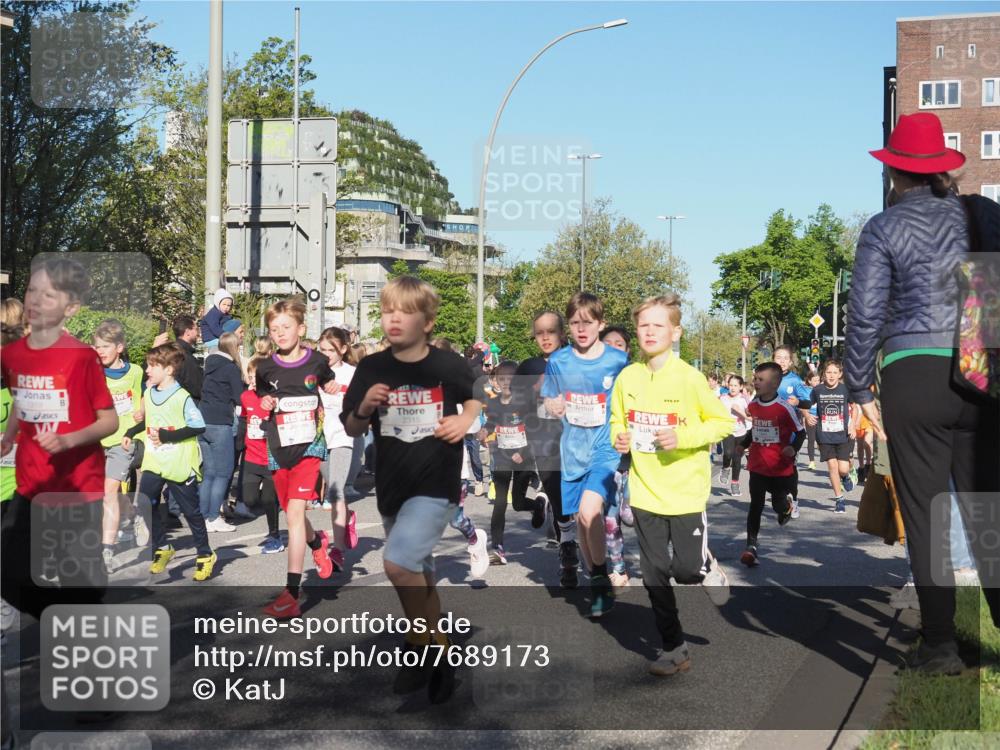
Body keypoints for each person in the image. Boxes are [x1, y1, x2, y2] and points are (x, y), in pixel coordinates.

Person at [846, 111, 999, 673]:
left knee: (928, 514)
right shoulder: (982, 213)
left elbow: (865, 314)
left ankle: (939, 645)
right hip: (980, 368)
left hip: (913, 372)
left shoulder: (883, 228)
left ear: (895, 173)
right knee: (989, 509)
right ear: (943, 169)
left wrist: (859, 383)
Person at [342, 276, 480, 704]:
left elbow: (479, 396)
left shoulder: (446, 366)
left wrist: (465, 418)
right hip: (392, 485)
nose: (394, 319)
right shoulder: (372, 368)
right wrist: (364, 408)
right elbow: (351, 425)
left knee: (398, 564)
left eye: (405, 311)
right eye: (387, 311)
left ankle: (429, 654)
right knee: (420, 571)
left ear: (428, 320)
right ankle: (430, 646)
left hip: (435, 483)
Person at [611, 294, 733, 675]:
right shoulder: (628, 376)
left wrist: (683, 438)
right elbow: (618, 420)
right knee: (653, 573)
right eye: (643, 325)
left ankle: (705, 562)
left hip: (684, 492)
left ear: (675, 332)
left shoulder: (690, 379)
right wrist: (621, 438)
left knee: (684, 570)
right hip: (645, 490)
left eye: (658, 325)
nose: (649, 332)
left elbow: (723, 424)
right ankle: (673, 647)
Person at [1, 257, 117, 619]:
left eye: (47, 295)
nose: (35, 301)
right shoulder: (14, 354)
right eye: (31, 291)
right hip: (30, 486)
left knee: (79, 582)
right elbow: (22, 398)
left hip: (76, 487)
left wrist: (69, 441)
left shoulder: (81, 357)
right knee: (8, 576)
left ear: (70, 308)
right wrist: (9, 436)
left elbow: (109, 420)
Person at [541, 292, 628, 618]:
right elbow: (549, 400)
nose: (580, 328)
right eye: (575, 322)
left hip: (604, 449)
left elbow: (632, 399)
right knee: (580, 519)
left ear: (600, 324)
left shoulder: (617, 362)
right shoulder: (559, 362)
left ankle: (601, 574)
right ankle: (598, 577)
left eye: (587, 322)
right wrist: (553, 405)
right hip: (572, 450)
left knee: (591, 511)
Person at [255, 299, 338, 619]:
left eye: (286, 327)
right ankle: (317, 542)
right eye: (274, 329)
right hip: (279, 448)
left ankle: (291, 593)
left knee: (293, 515)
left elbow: (326, 378)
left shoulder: (316, 360)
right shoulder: (265, 367)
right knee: (293, 511)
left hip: (309, 448)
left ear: (301, 329)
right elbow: (261, 395)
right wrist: (265, 402)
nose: (279, 333)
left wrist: (330, 386)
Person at [123, 344, 216, 580]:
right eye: (148, 365)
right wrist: (132, 431)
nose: (148, 370)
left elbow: (198, 426)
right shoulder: (148, 393)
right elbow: (151, 421)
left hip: (179, 463)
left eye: (153, 366)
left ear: (170, 369)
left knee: (191, 512)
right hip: (155, 461)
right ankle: (163, 548)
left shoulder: (182, 396)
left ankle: (205, 555)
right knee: (145, 505)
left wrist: (166, 436)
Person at [516, 312, 571, 566]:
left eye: (551, 331)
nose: (546, 337)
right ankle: (566, 547)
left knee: (578, 497)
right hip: (542, 442)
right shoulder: (528, 367)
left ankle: (578, 544)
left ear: (562, 334)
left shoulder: (577, 362)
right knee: (556, 495)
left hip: (574, 439)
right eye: (540, 333)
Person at [92, 319, 147, 572]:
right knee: (106, 494)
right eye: (96, 346)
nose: (100, 351)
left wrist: (141, 412)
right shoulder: (92, 372)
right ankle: (133, 514)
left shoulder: (135, 372)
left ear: (120, 347)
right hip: (95, 439)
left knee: (109, 491)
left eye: (105, 346)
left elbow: (146, 395)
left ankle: (107, 552)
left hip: (123, 440)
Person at [739, 362, 805, 567]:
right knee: (755, 505)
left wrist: (793, 448)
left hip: (779, 467)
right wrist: (743, 444)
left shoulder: (784, 408)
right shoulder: (753, 405)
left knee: (777, 504)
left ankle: (786, 507)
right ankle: (751, 547)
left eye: (760, 380)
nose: (755, 382)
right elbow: (754, 430)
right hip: (758, 465)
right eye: (755, 378)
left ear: (775, 384)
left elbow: (801, 432)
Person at [481, 360, 545, 565]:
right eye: (502, 379)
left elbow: (535, 431)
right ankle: (497, 548)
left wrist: (523, 452)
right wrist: (485, 431)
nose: (507, 382)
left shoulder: (526, 403)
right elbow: (491, 422)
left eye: (511, 378)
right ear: (496, 382)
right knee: (499, 503)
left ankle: (538, 505)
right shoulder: (493, 402)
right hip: (502, 456)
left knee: (517, 504)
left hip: (523, 458)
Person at [317, 326, 361, 571]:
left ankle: (338, 549)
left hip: (343, 435)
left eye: (330, 350)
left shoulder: (353, 373)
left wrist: (342, 390)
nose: (325, 354)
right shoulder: (314, 371)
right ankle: (348, 516)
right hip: (320, 438)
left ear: (343, 350)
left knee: (335, 492)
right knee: (333, 493)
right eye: (321, 349)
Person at [198, 331, 245, 532]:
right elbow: (239, 397)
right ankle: (214, 516)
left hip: (203, 421)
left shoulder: (209, 366)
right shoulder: (230, 368)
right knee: (223, 472)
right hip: (220, 422)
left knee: (208, 473)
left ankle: (203, 516)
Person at [599, 326, 633, 589]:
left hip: (636, 458)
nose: (612, 348)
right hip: (604, 457)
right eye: (607, 343)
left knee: (630, 516)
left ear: (627, 350)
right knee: (610, 518)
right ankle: (619, 569)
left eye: (618, 344)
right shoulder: (589, 377)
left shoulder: (637, 377)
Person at [238, 357, 283, 553]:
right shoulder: (245, 397)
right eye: (249, 377)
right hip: (251, 457)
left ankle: (274, 534)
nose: (252, 381)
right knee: (249, 500)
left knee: (268, 500)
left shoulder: (275, 399)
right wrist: (239, 443)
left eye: (256, 378)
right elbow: (243, 420)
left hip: (271, 458)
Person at [813, 360, 856, 514]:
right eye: (828, 372)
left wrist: (853, 425)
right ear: (824, 373)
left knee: (843, 468)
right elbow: (807, 405)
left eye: (834, 373)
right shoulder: (817, 390)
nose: (831, 376)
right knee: (832, 467)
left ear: (840, 374)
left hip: (843, 434)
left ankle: (847, 475)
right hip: (824, 435)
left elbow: (854, 406)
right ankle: (839, 499)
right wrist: (806, 414)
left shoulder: (845, 389)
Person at [155, 315, 203, 402]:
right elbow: (197, 388)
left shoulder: (170, 351)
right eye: (196, 329)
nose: (198, 333)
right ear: (188, 332)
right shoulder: (185, 356)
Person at [719, 374, 750, 496]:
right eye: (730, 385)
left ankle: (735, 483)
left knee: (737, 459)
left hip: (741, 432)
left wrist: (740, 412)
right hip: (727, 430)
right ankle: (725, 468)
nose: (732, 388)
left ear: (741, 387)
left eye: (735, 386)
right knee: (728, 453)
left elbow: (751, 416)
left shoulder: (744, 399)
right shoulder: (722, 398)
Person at [803, 371, 820, 470]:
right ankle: (812, 461)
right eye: (815, 380)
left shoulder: (822, 390)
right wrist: (807, 415)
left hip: (821, 418)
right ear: (809, 381)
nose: (817, 382)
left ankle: (820, 446)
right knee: (811, 440)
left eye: (818, 380)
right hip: (810, 417)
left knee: (821, 440)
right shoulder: (805, 391)